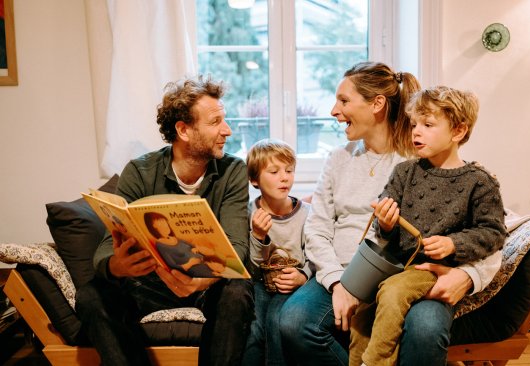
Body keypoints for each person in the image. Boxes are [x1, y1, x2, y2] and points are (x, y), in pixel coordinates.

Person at [278, 61, 503, 366]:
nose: (333, 110)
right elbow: (317, 228)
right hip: (342, 271)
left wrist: (467, 275)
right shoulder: (340, 160)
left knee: (424, 328)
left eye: (344, 101)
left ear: (377, 105)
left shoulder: (425, 160)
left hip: (402, 275)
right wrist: (337, 282)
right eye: (415, 124)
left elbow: (493, 233)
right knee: (294, 322)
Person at [75, 75, 254, 366]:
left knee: (237, 292)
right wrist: (117, 265)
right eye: (215, 122)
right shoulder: (140, 171)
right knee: (90, 297)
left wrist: (200, 282)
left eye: (225, 119)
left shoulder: (233, 171)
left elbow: (237, 248)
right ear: (183, 130)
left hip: (208, 284)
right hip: (151, 283)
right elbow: (105, 251)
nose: (227, 130)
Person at [355, 86, 507, 366]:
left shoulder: (479, 181)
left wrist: (454, 244)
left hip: (433, 272)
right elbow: (384, 223)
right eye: (414, 124)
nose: (416, 132)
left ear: (458, 131)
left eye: (428, 124)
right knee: (362, 317)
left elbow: (494, 233)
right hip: (395, 268)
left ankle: (373, 363)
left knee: (393, 293)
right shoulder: (404, 172)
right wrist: (386, 223)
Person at [241, 138, 313, 366]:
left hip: (293, 282)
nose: (285, 177)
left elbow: (315, 255)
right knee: (253, 328)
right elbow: (251, 268)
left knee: (276, 319)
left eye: (289, 170)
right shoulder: (248, 213)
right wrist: (258, 236)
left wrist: (303, 276)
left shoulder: (306, 214)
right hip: (260, 282)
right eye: (274, 171)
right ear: (254, 179)